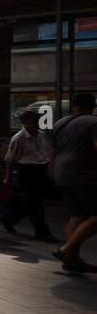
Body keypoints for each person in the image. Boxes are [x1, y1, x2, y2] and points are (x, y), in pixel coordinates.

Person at [51, 92, 97, 273]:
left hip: (62, 174)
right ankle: (66, 250)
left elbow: (53, 151)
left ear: (73, 106)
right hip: (85, 176)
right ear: (92, 106)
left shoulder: (60, 123)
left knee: (77, 215)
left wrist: (53, 172)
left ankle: (72, 260)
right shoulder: (93, 123)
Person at [0, 108, 57, 242]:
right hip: (27, 171)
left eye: (38, 119)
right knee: (35, 203)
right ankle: (42, 231)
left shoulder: (41, 135)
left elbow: (48, 152)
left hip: (42, 170)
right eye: (34, 120)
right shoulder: (18, 138)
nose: (37, 122)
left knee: (31, 202)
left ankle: (8, 218)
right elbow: (10, 159)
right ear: (25, 122)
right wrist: (8, 177)